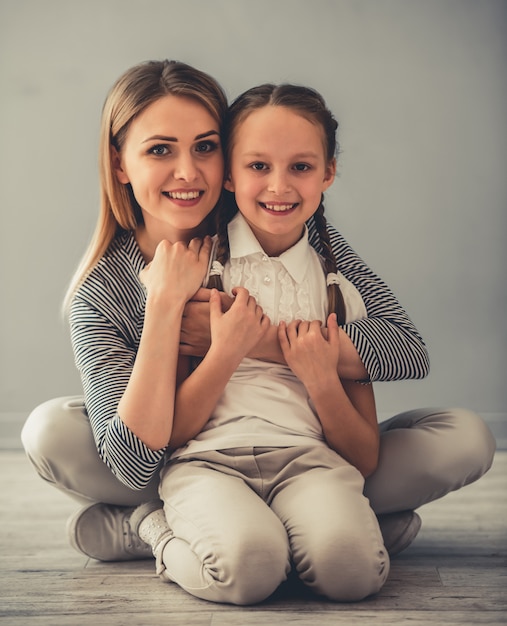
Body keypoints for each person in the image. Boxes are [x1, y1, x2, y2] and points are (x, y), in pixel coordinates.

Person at [20, 61, 495, 566]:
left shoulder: (272, 214)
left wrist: (256, 341)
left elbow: (404, 349)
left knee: (463, 438)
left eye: (205, 147)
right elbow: (135, 463)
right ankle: (172, 526)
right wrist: (163, 304)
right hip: (183, 464)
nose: (187, 172)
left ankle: (315, 526)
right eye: (160, 150)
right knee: (51, 429)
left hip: (305, 453)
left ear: (227, 160)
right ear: (120, 165)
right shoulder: (104, 290)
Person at [130, 83, 391, 604]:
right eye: (257, 167)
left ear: (328, 173)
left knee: (352, 573)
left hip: (311, 463)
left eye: (301, 167)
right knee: (247, 573)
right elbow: (174, 431)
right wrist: (227, 350)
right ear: (228, 173)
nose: (279, 186)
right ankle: (157, 530)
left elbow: (362, 456)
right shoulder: (193, 274)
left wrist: (319, 376)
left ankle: (293, 541)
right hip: (206, 461)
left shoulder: (338, 292)